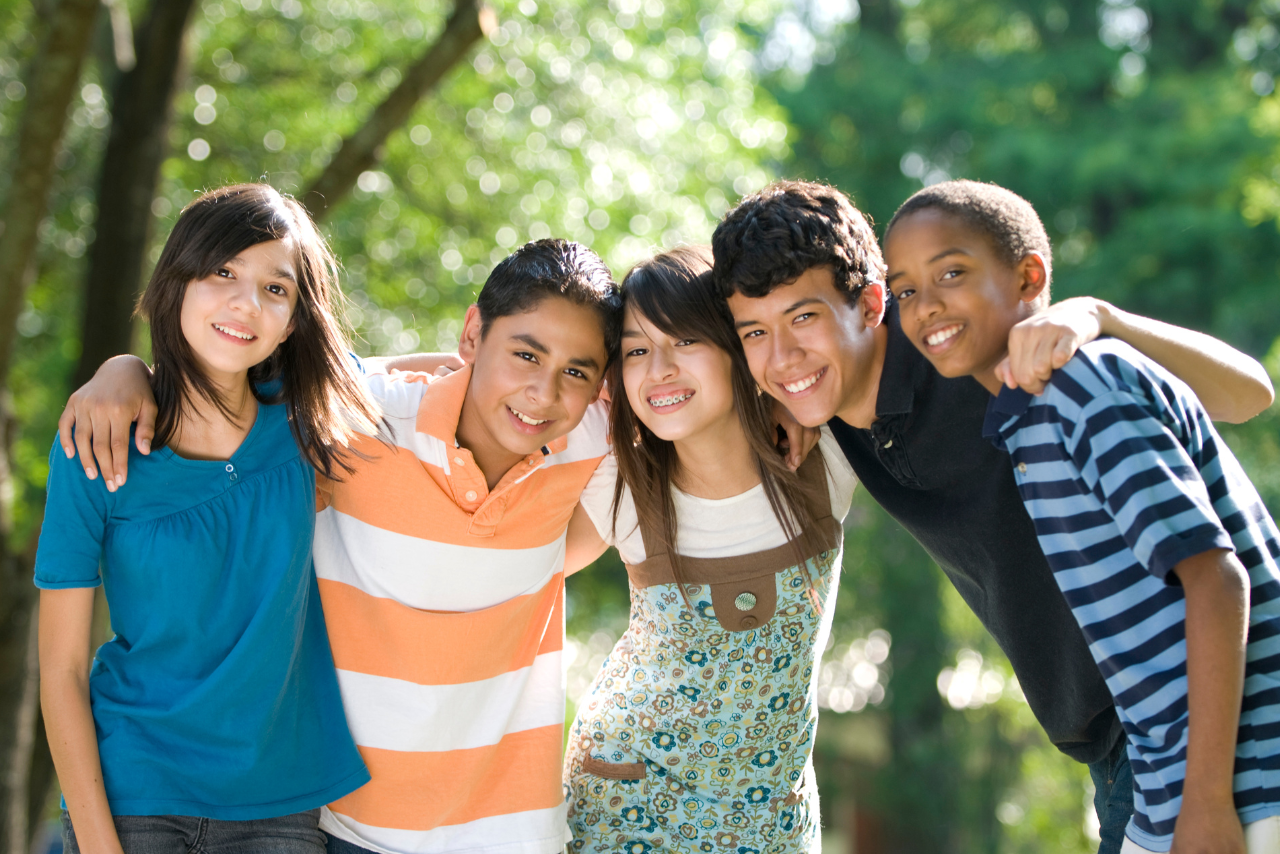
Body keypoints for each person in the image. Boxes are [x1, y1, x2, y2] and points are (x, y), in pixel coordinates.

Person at [711, 180, 1276, 853]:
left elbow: (1248, 396)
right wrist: (775, 393)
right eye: (756, 333)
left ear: (870, 305)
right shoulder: (820, 399)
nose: (783, 354)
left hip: (1206, 716)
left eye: (803, 319)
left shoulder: (991, 354)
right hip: (1123, 738)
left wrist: (1101, 314)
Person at [61, 238, 622, 854]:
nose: (543, 393)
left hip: (511, 833)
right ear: (473, 333)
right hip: (347, 825)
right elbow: (228, 372)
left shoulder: (592, 442)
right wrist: (126, 370)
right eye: (524, 354)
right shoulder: (355, 420)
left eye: (576, 371)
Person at [882, 178, 1280, 854]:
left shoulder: (1079, 384)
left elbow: (1217, 581)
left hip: (1247, 783)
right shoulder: (1023, 417)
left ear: (1028, 276)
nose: (927, 307)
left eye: (952, 272)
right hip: (1168, 782)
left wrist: (1208, 805)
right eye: (907, 290)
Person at [35, 184, 378, 854]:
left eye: (275, 289)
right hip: (135, 798)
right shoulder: (93, 443)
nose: (246, 303)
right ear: (178, 280)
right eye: (224, 272)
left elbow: (443, 386)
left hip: (279, 805)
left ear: (293, 319)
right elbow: (61, 671)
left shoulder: (310, 423)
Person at [561, 246, 856, 853]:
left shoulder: (826, 458)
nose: (659, 368)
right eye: (637, 351)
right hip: (628, 799)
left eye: (684, 341)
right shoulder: (619, 482)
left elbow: (895, 334)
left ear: (735, 347)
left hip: (772, 814)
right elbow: (513, 568)